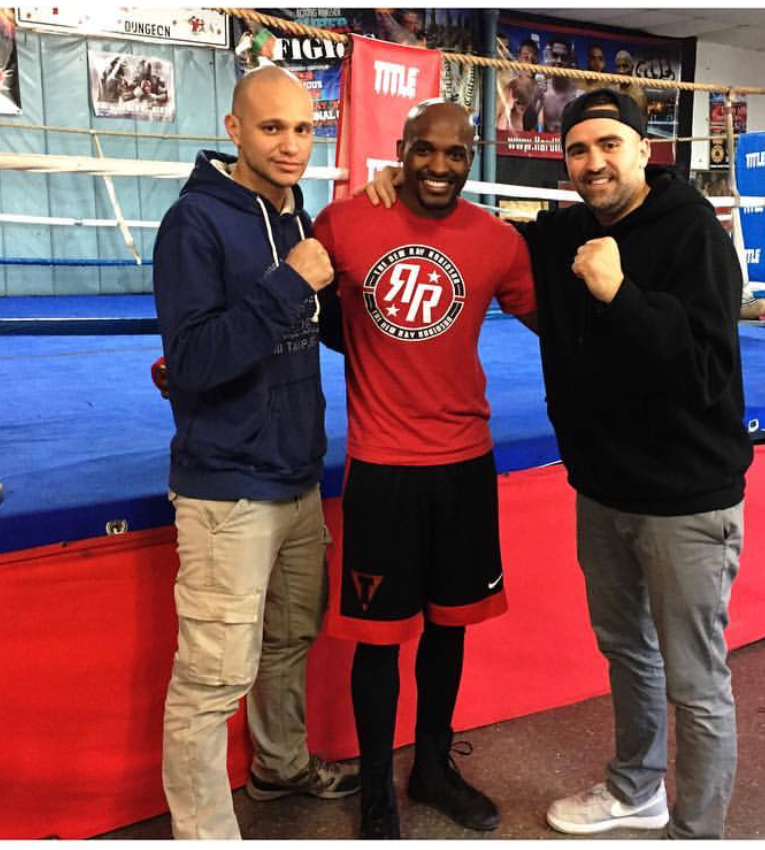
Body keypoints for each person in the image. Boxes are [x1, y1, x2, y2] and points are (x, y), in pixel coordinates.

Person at [362, 88, 752, 839]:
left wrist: (620, 294)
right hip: (603, 490)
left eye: (609, 145)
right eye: (578, 150)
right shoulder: (567, 231)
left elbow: (705, 374)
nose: (594, 162)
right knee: (627, 651)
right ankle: (636, 789)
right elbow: (472, 231)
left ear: (644, 151)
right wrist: (402, 190)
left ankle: (698, 831)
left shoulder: (693, 232)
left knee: (696, 678)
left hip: (686, 500)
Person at [312, 99, 537, 839]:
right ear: (402, 149)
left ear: (471, 157)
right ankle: (377, 786)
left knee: (450, 627)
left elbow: (566, 322)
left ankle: (433, 768)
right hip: (383, 468)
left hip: (464, 463)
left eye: (456, 153)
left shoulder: (497, 241)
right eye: (425, 150)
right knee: (377, 638)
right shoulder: (345, 223)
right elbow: (300, 308)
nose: (439, 166)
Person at [152, 64, 357, 840]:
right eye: (272, 128)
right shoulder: (194, 224)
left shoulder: (299, 217)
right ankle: (204, 834)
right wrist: (289, 285)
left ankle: (278, 766)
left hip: (296, 478)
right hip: (228, 490)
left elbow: (322, 331)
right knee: (211, 681)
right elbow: (193, 361)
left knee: (288, 640)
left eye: (304, 129)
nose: (291, 145)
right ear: (234, 130)